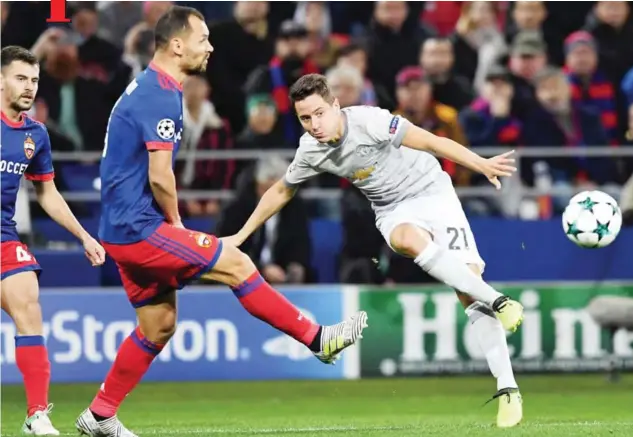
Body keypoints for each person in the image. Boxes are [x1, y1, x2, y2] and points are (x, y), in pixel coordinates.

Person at [75, 8, 367, 437]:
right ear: (177, 45)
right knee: (237, 262)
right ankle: (317, 339)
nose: (210, 46)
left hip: (120, 229)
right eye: (203, 38)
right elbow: (160, 175)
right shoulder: (160, 93)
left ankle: (99, 415)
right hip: (138, 228)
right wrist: (174, 224)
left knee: (158, 325)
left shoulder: (148, 87)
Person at [224, 73, 524, 428]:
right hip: (391, 208)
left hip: (433, 192)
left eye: (320, 113)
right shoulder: (310, 149)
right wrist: (241, 234)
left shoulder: (372, 121)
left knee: (468, 291)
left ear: (335, 105)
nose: (314, 124)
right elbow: (280, 191)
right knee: (404, 240)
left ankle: (508, 389)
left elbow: (430, 141)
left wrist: (481, 164)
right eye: (305, 118)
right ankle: (500, 301)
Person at [1, 45, 106, 436]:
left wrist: (83, 235)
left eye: (34, 80)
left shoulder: (35, 134)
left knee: (29, 304)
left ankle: (36, 415)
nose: (29, 87)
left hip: (3, 238)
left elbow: (46, 193)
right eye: (20, 78)